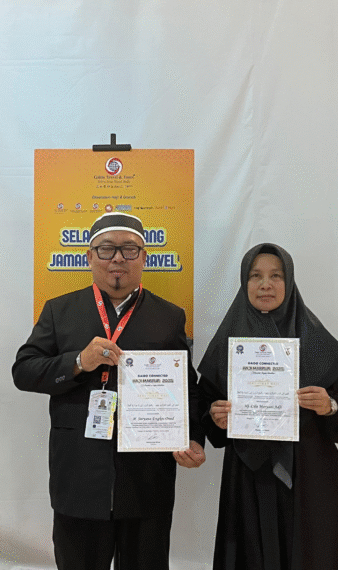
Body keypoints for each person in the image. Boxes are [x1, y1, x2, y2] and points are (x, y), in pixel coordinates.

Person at [13, 212, 206, 570]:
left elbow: (187, 387)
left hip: (147, 477)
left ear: (144, 258)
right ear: (89, 257)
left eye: (129, 249)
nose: (117, 258)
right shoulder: (59, 311)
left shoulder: (169, 316)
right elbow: (24, 371)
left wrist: (193, 436)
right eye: (106, 249)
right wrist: (77, 362)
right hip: (79, 476)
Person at [200, 243, 338, 570]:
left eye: (276, 276)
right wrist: (214, 416)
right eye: (255, 276)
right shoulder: (228, 342)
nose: (266, 284)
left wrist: (329, 405)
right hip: (248, 473)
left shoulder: (313, 339)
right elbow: (206, 404)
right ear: (244, 282)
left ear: (289, 282)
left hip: (310, 472)